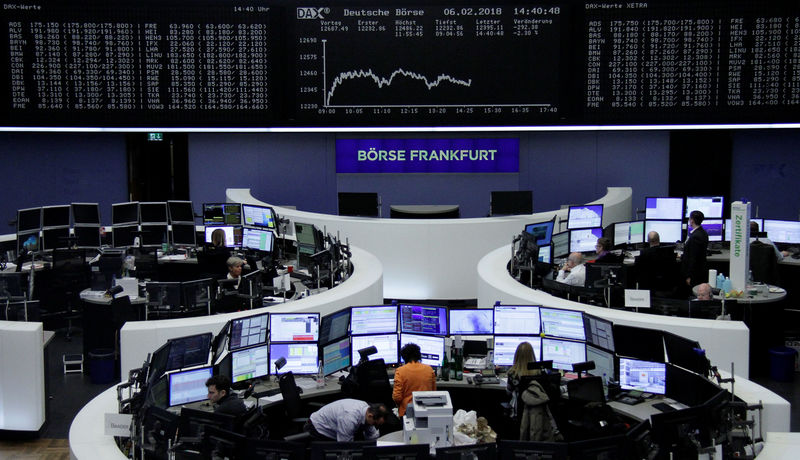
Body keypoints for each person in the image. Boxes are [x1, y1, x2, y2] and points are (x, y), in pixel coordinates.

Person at [505, 341, 558, 442]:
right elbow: (551, 391)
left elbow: (508, 392)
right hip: (539, 417)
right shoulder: (541, 373)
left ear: (516, 356)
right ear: (532, 355)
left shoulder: (512, 374)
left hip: (520, 416)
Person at [304, 399, 388, 442]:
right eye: (375, 424)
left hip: (338, 429)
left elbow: (372, 435)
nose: (374, 426)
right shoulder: (349, 418)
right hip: (317, 430)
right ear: (370, 416)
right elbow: (345, 446)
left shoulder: (367, 409)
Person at [393, 342, 436, 417]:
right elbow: (433, 392)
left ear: (404, 357)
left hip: (407, 412)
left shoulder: (400, 371)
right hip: (427, 411)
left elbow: (397, 397)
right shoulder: (429, 369)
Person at [682, 210, 709, 289]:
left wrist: (689, 276)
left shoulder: (695, 237)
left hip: (695, 274)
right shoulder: (703, 232)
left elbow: (693, 258)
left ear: (692, 220)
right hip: (700, 272)